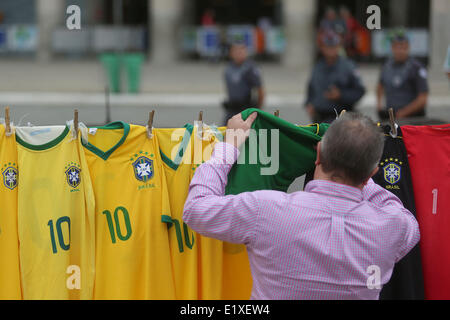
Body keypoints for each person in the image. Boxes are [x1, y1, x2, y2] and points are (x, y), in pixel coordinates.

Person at [183, 111, 420, 300]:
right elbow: (404, 218)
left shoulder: (266, 209)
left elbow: (196, 209)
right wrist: (362, 176)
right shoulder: (392, 227)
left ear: (318, 155)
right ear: (373, 173)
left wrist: (229, 148)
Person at [305, 31, 366, 123]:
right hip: (319, 118)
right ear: (322, 48)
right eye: (328, 47)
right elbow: (311, 88)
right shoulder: (318, 66)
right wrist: (309, 104)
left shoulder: (348, 66)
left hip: (341, 118)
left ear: (339, 47)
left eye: (333, 47)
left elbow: (359, 91)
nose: (331, 50)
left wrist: (341, 95)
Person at [377, 31, 429, 120]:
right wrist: (379, 105)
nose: (400, 51)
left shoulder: (416, 68)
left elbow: (423, 98)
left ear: (408, 48)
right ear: (392, 48)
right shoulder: (386, 66)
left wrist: (403, 113)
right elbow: (380, 85)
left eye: (403, 48)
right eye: (397, 47)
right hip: (391, 116)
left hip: (413, 118)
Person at [222, 41, 264, 125]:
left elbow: (260, 90)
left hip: (245, 108)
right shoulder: (229, 68)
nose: (239, 54)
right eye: (236, 51)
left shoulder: (250, 68)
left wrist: (257, 109)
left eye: (241, 51)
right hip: (231, 108)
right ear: (231, 53)